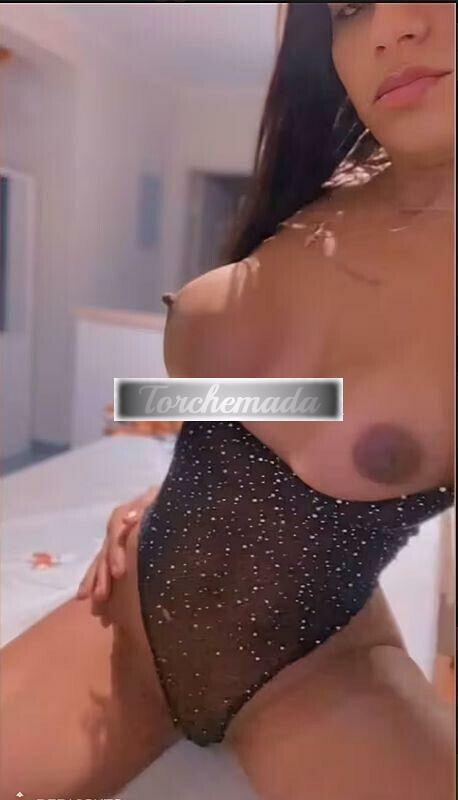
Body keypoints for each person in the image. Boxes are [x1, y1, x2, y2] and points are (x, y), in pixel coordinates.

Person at [1, 4, 454, 798]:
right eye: (349, 5)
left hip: (314, 671)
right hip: (132, 615)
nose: (389, 27)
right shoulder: (315, 186)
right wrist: (171, 494)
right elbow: (288, 406)